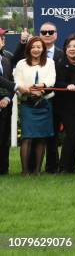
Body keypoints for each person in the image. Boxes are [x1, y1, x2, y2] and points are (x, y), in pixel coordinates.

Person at [14, 23, 63, 173]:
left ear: (43, 49)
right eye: (33, 47)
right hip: (28, 104)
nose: (36, 49)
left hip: (44, 103)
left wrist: (41, 87)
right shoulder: (21, 63)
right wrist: (29, 91)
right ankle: (25, 171)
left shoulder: (50, 63)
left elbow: (51, 79)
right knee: (27, 138)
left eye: (39, 47)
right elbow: (18, 82)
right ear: (29, 48)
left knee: (42, 138)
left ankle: (37, 171)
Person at [54, 34, 75, 173]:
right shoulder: (60, 63)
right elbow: (57, 83)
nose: (72, 49)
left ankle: (71, 166)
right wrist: (69, 85)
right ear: (65, 48)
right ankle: (63, 167)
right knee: (71, 135)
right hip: (65, 106)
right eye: (69, 46)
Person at [0, 42, 15, 175]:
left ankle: (3, 169)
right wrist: (16, 86)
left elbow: (10, 80)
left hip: (5, 105)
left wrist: (7, 98)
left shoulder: (6, 60)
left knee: (4, 138)